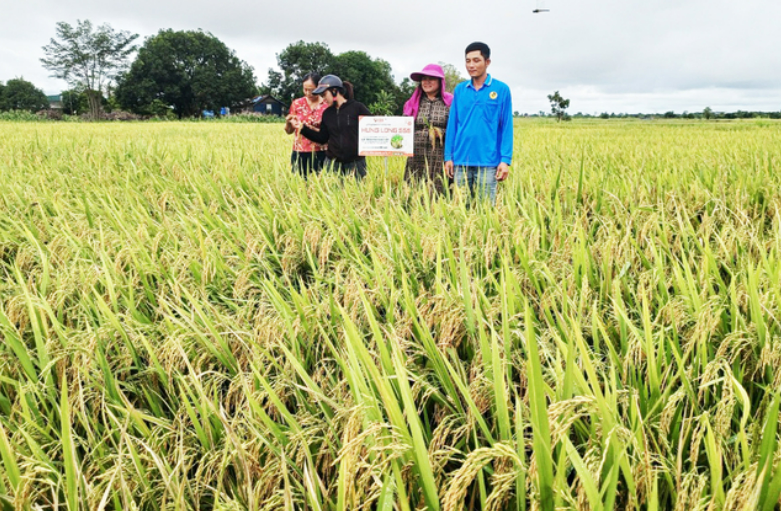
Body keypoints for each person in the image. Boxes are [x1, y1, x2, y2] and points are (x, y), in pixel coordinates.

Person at [444, 42, 513, 205]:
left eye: (476, 60)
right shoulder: (460, 90)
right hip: (461, 160)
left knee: (486, 209)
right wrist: (448, 157)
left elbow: (506, 127)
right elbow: (453, 125)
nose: (471, 65)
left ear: (487, 62)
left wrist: (505, 160)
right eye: (468, 61)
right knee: (461, 208)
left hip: (488, 161)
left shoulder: (501, 89)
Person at [291, 75, 371, 180]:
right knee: (332, 192)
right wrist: (302, 128)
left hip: (356, 162)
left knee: (359, 192)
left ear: (334, 91)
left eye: (324, 95)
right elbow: (322, 138)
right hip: (333, 163)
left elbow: (372, 126)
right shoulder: (327, 113)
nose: (323, 99)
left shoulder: (357, 108)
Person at [403, 63, 454, 194]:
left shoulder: (450, 102)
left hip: (439, 154)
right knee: (414, 188)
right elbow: (403, 126)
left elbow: (458, 129)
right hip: (416, 154)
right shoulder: (413, 102)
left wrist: (441, 132)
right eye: (424, 79)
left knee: (438, 189)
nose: (427, 82)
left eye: (431, 79)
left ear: (440, 82)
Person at [284, 73, 328, 178]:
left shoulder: (326, 105)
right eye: (305, 89)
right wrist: (288, 122)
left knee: (320, 184)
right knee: (299, 185)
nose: (308, 93)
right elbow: (289, 131)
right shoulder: (297, 104)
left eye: (311, 90)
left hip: (320, 152)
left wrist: (307, 128)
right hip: (300, 151)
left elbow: (329, 132)